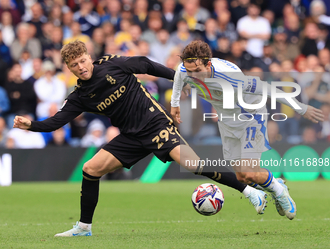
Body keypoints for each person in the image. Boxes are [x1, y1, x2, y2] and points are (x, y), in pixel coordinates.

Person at [13, 40, 266, 237]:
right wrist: (31, 125)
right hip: (130, 137)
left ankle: (249, 191)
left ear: (89, 57)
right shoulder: (78, 96)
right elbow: (56, 122)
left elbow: (144, 64)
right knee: (90, 169)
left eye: (82, 61)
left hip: (155, 124)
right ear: (68, 69)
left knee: (194, 165)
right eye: (75, 65)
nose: (81, 67)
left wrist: (179, 78)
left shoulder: (112, 65)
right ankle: (83, 227)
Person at [171, 40, 325, 220]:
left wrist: (301, 108)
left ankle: (279, 191)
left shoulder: (231, 77)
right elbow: (178, 77)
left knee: (251, 171)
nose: (192, 75)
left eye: (197, 71)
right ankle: (275, 183)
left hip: (251, 117)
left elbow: (268, 90)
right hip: (227, 121)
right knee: (242, 177)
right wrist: (175, 104)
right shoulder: (185, 69)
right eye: (189, 71)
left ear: (208, 64)